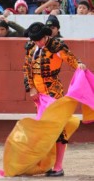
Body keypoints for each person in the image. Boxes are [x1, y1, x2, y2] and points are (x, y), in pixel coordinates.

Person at [23, 22, 87, 177]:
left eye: (40, 39)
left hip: (53, 93)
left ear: (46, 35)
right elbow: (26, 69)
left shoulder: (57, 46)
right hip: (38, 96)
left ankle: (58, 167)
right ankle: (43, 164)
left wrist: (79, 65)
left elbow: (71, 59)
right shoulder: (31, 48)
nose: (38, 42)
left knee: (57, 130)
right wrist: (30, 88)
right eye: (35, 40)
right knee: (42, 131)